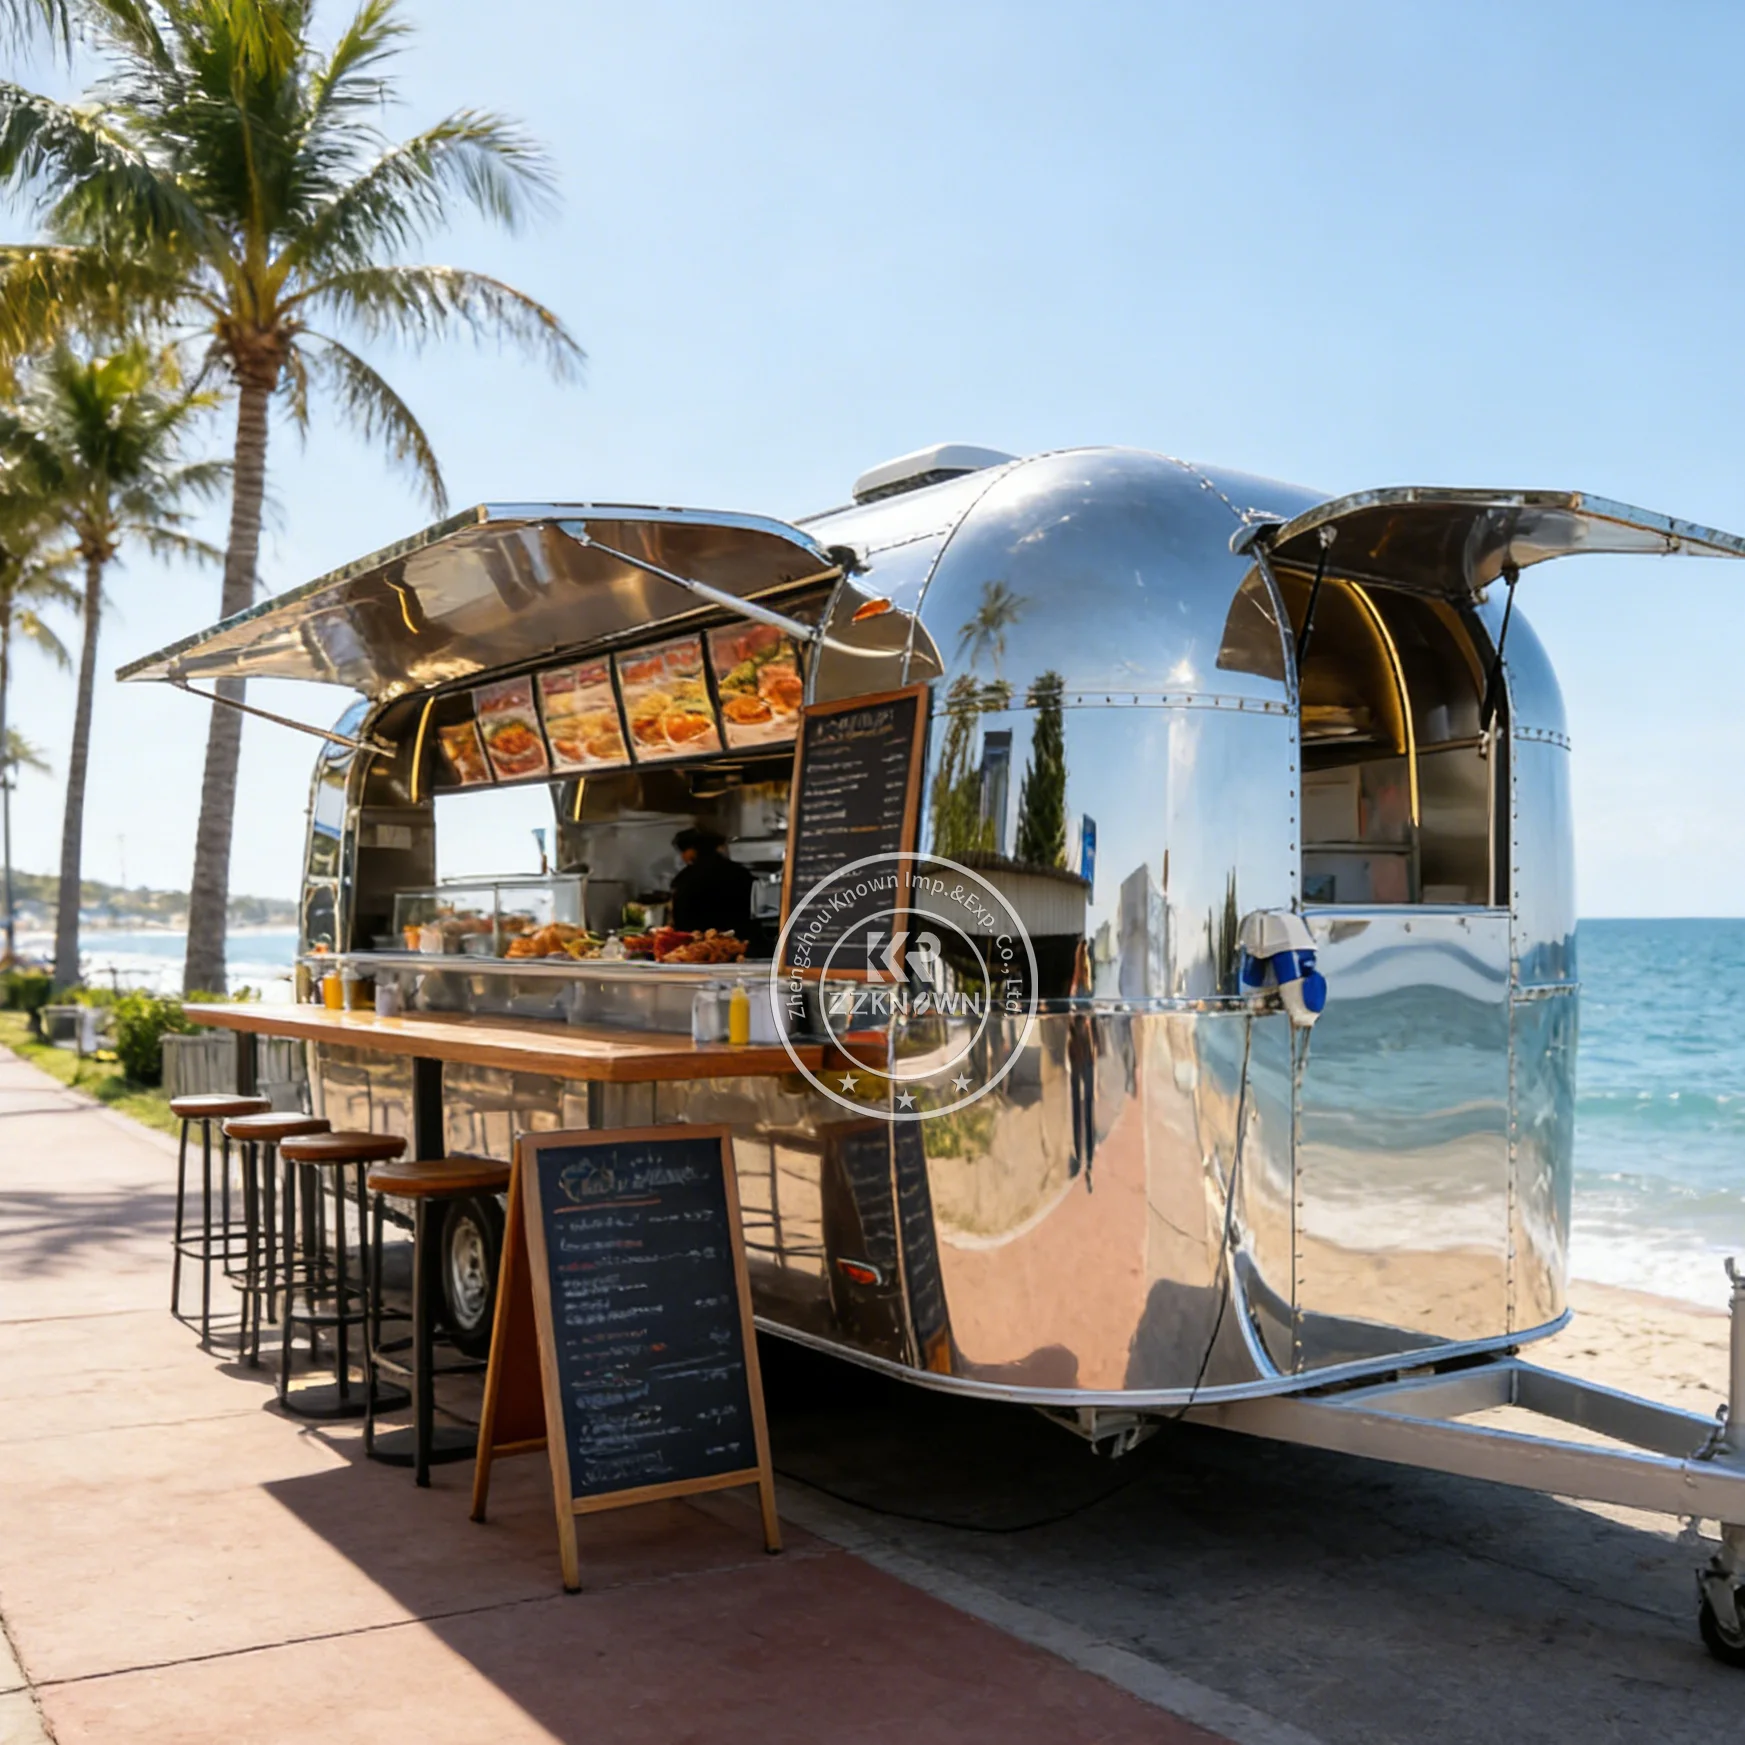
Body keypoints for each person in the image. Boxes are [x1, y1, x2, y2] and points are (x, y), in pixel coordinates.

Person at [669, 825, 754, 937]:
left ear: (692, 850)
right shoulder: (740, 872)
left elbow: (681, 918)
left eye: (683, 851)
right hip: (739, 937)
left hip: (700, 941)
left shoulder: (686, 878)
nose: (682, 856)